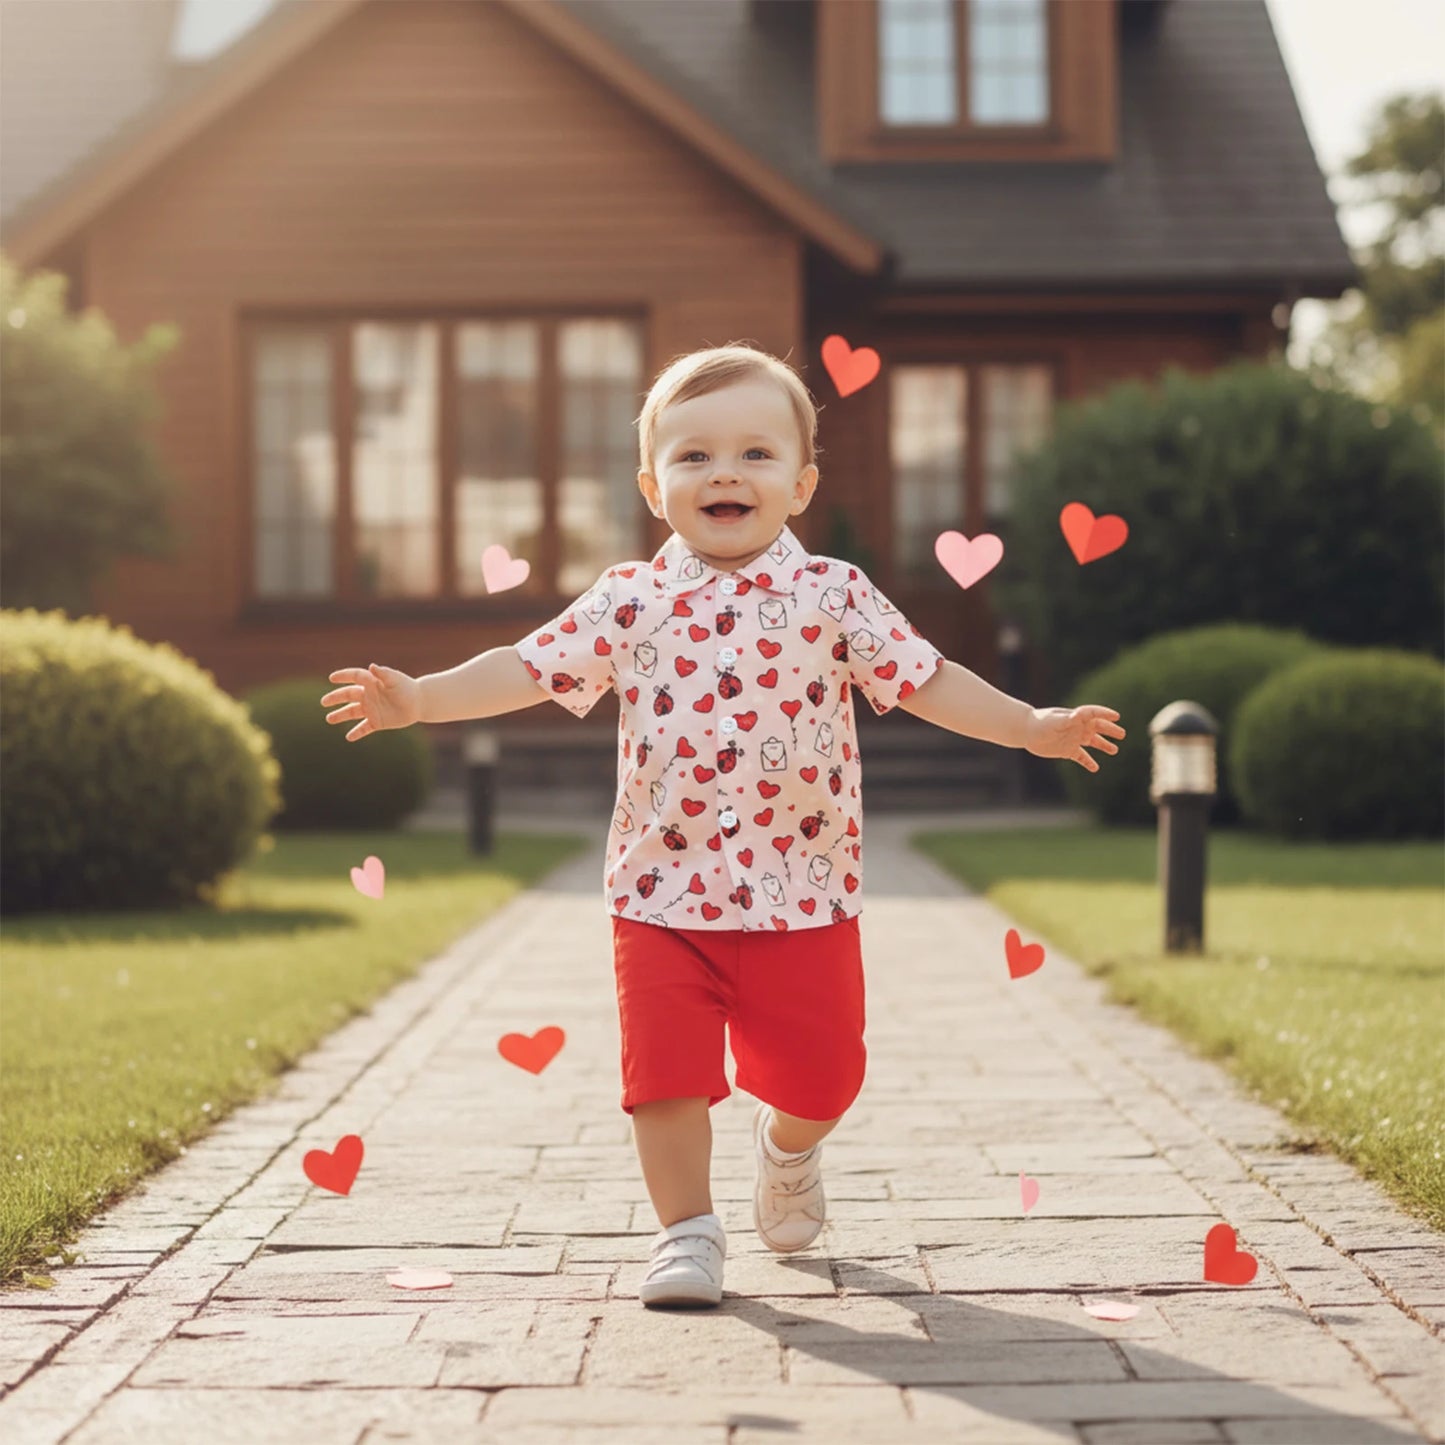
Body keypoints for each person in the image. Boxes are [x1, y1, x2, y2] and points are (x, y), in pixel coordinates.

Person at [320, 343, 1123, 1310]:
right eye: (694, 457)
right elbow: (524, 666)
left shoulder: (834, 594)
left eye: (754, 453)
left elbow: (929, 679)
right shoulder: (630, 600)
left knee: (825, 1077)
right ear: (655, 486)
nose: (725, 473)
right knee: (663, 1079)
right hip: (660, 893)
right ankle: (687, 1234)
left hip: (805, 891)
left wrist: (1027, 725)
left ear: (800, 483)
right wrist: (423, 699)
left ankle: (788, 1150)